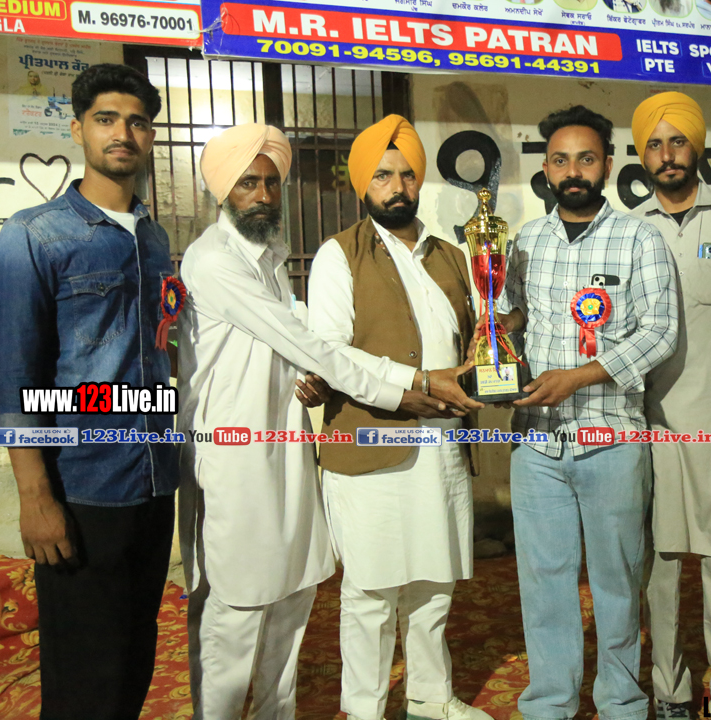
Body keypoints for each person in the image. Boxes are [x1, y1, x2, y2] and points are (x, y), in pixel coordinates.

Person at [177, 123, 422, 719]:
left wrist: (305, 375)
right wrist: (405, 388)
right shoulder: (212, 261)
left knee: (293, 595)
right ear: (222, 192)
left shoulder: (269, 256)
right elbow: (305, 341)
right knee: (236, 611)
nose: (262, 195)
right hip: (234, 456)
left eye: (270, 183)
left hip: (287, 443)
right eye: (247, 184)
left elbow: (290, 343)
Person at [0, 63, 176, 720]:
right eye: (106, 119)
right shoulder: (32, 236)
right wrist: (35, 498)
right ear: (78, 130)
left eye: (137, 122)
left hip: (154, 483)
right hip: (82, 489)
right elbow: (14, 384)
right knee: (83, 679)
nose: (122, 133)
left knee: (134, 658)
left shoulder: (153, 237)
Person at [489, 105, 677, 720]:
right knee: (543, 583)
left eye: (586, 159)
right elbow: (513, 316)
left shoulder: (639, 238)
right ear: (546, 169)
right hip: (536, 446)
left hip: (612, 438)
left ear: (608, 166)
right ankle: (550, 702)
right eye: (561, 160)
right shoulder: (525, 240)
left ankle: (621, 702)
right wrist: (495, 335)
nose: (573, 171)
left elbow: (660, 332)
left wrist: (578, 377)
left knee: (618, 583)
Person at [306, 115, 491, 720]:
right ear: (363, 183)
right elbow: (329, 352)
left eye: (407, 174)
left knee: (436, 583)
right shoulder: (339, 255)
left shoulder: (452, 256)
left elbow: (477, 337)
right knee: (371, 590)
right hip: (370, 442)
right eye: (383, 175)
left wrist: (491, 354)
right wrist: (413, 384)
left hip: (442, 442)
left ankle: (430, 698)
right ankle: (364, 709)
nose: (397, 186)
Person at [629, 93, 711, 720]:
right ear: (641, 154)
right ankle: (670, 690)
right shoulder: (628, 227)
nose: (667, 154)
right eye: (654, 144)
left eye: (678, 141)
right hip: (649, 423)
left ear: (697, 147)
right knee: (659, 567)